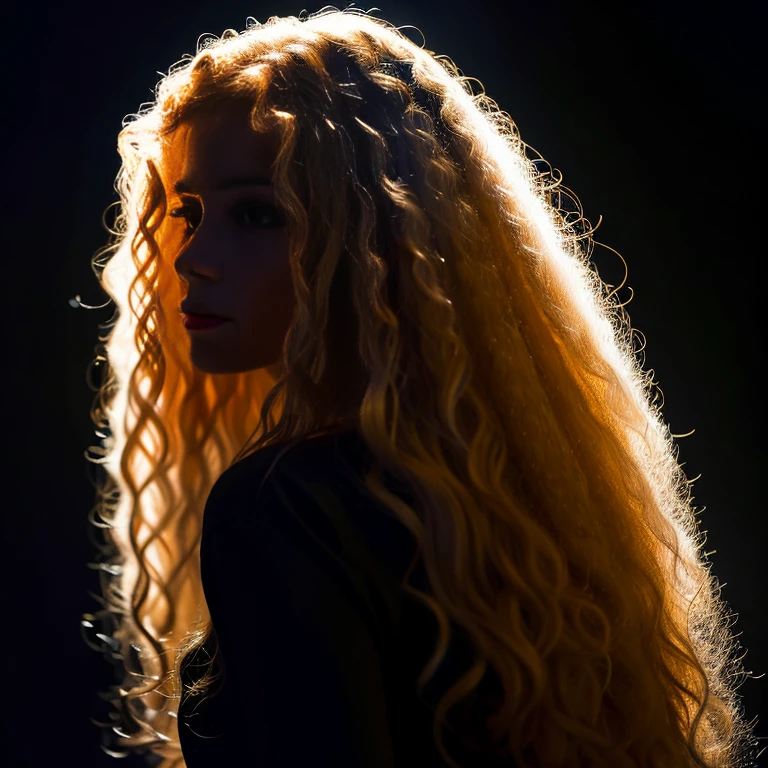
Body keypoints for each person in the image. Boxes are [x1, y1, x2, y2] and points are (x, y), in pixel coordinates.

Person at [79, 7, 759, 768]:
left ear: (375, 236)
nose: (189, 256)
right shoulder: (513, 502)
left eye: (259, 213)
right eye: (189, 212)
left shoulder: (283, 505)